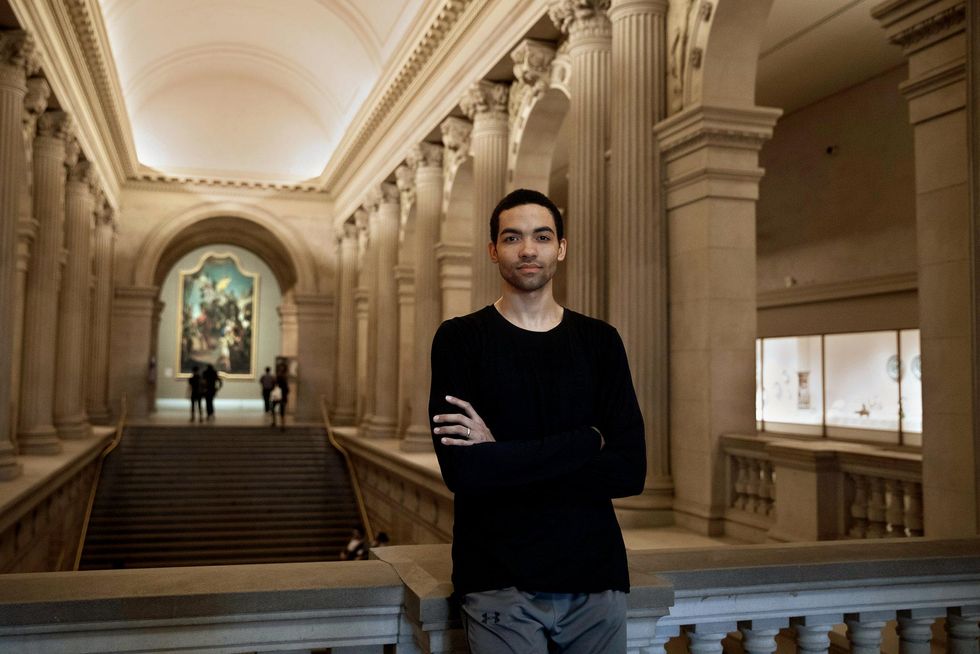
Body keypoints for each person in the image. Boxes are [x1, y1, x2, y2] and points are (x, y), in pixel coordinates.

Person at [428, 189, 646, 653]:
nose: (528, 249)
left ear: (560, 248)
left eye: (542, 237)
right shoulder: (460, 340)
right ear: (494, 250)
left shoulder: (600, 342)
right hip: (497, 580)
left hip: (596, 578)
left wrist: (500, 454)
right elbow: (463, 472)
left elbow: (630, 471)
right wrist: (589, 440)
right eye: (513, 238)